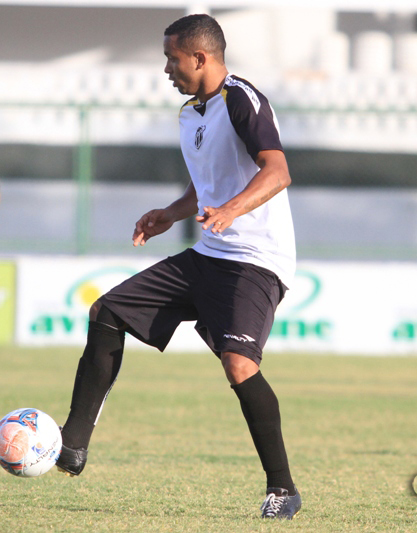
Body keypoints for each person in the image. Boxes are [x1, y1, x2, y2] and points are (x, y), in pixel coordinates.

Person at [55, 14, 300, 519]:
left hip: (255, 260)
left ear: (201, 58)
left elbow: (277, 171)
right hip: (208, 255)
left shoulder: (242, 99)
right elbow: (206, 186)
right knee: (108, 310)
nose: (167, 68)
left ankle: (283, 489)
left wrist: (232, 210)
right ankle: (71, 444)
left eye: (173, 58)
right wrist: (172, 212)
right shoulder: (191, 113)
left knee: (239, 367)